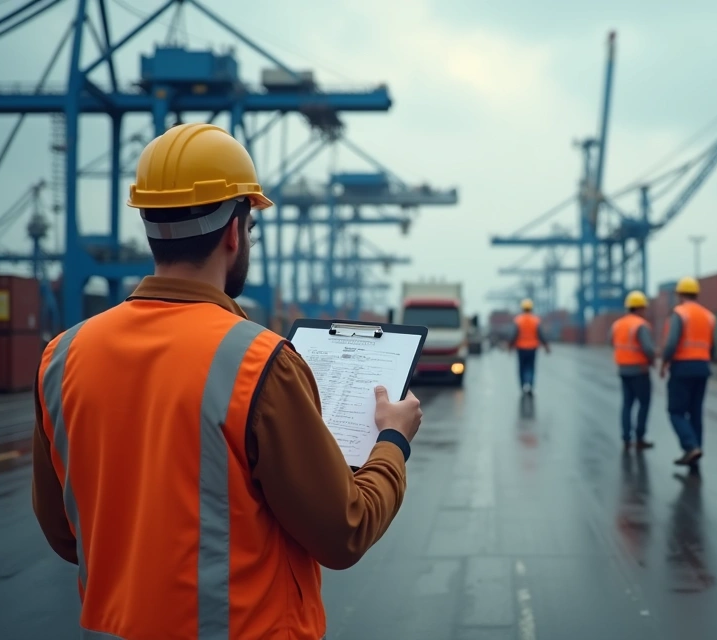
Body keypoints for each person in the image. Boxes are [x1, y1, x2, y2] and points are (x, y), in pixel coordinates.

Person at [30, 122, 423, 640]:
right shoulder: (260, 362)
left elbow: (65, 532)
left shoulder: (62, 356)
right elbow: (343, 532)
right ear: (235, 232)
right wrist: (393, 440)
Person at [659, 277, 716, 466]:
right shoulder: (709, 316)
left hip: (682, 367)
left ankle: (691, 447)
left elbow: (672, 342)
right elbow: (712, 346)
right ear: (696, 294)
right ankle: (696, 452)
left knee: (675, 411)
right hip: (703, 367)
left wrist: (664, 362)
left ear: (679, 294)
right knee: (695, 413)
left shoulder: (680, 313)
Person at [610, 290, 656, 451]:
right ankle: (640, 437)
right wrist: (652, 360)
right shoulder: (640, 325)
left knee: (627, 404)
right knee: (644, 403)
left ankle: (626, 438)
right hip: (640, 370)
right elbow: (649, 349)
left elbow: (612, 342)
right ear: (640, 308)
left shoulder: (617, 324)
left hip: (623, 370)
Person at [508, 298, 550, 394]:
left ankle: (523, 386)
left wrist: (510, 346)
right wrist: (546, 346)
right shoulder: (535, 320)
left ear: (522, 308)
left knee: (521, 367)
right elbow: (540, 335)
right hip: (532, 348)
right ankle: (530, 385)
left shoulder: (518, 320)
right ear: (531, 308)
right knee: (531, 367)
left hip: (521, 348)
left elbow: (514, 335)